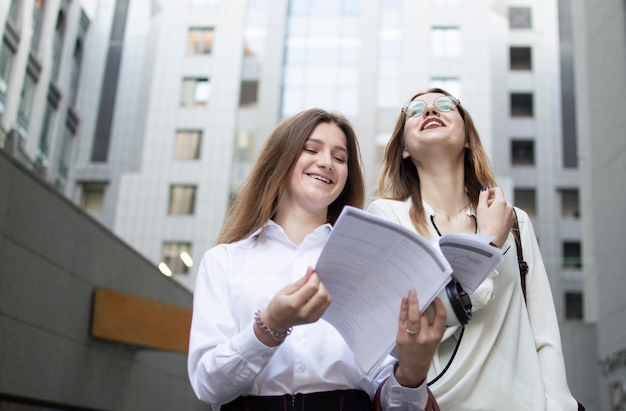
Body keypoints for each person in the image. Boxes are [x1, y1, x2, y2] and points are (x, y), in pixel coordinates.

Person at [188, 108, 447, 411]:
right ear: (280, 159)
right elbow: (208, 386)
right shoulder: (224, 261)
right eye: (311, 149)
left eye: (340, 158)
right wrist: (269, 326)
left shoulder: (368, 264)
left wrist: (412, 373)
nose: (326, 163)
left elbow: (394, 403)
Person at [368, 88, 579, 410]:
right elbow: (416, 323)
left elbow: (545, 332)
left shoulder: (514, 219)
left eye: (444, 105)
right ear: (404, 149)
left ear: (468, 137)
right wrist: (489, 244)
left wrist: (558, 405)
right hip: (437, 401)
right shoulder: (386, 216)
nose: (430, 111)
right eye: (415, 110)